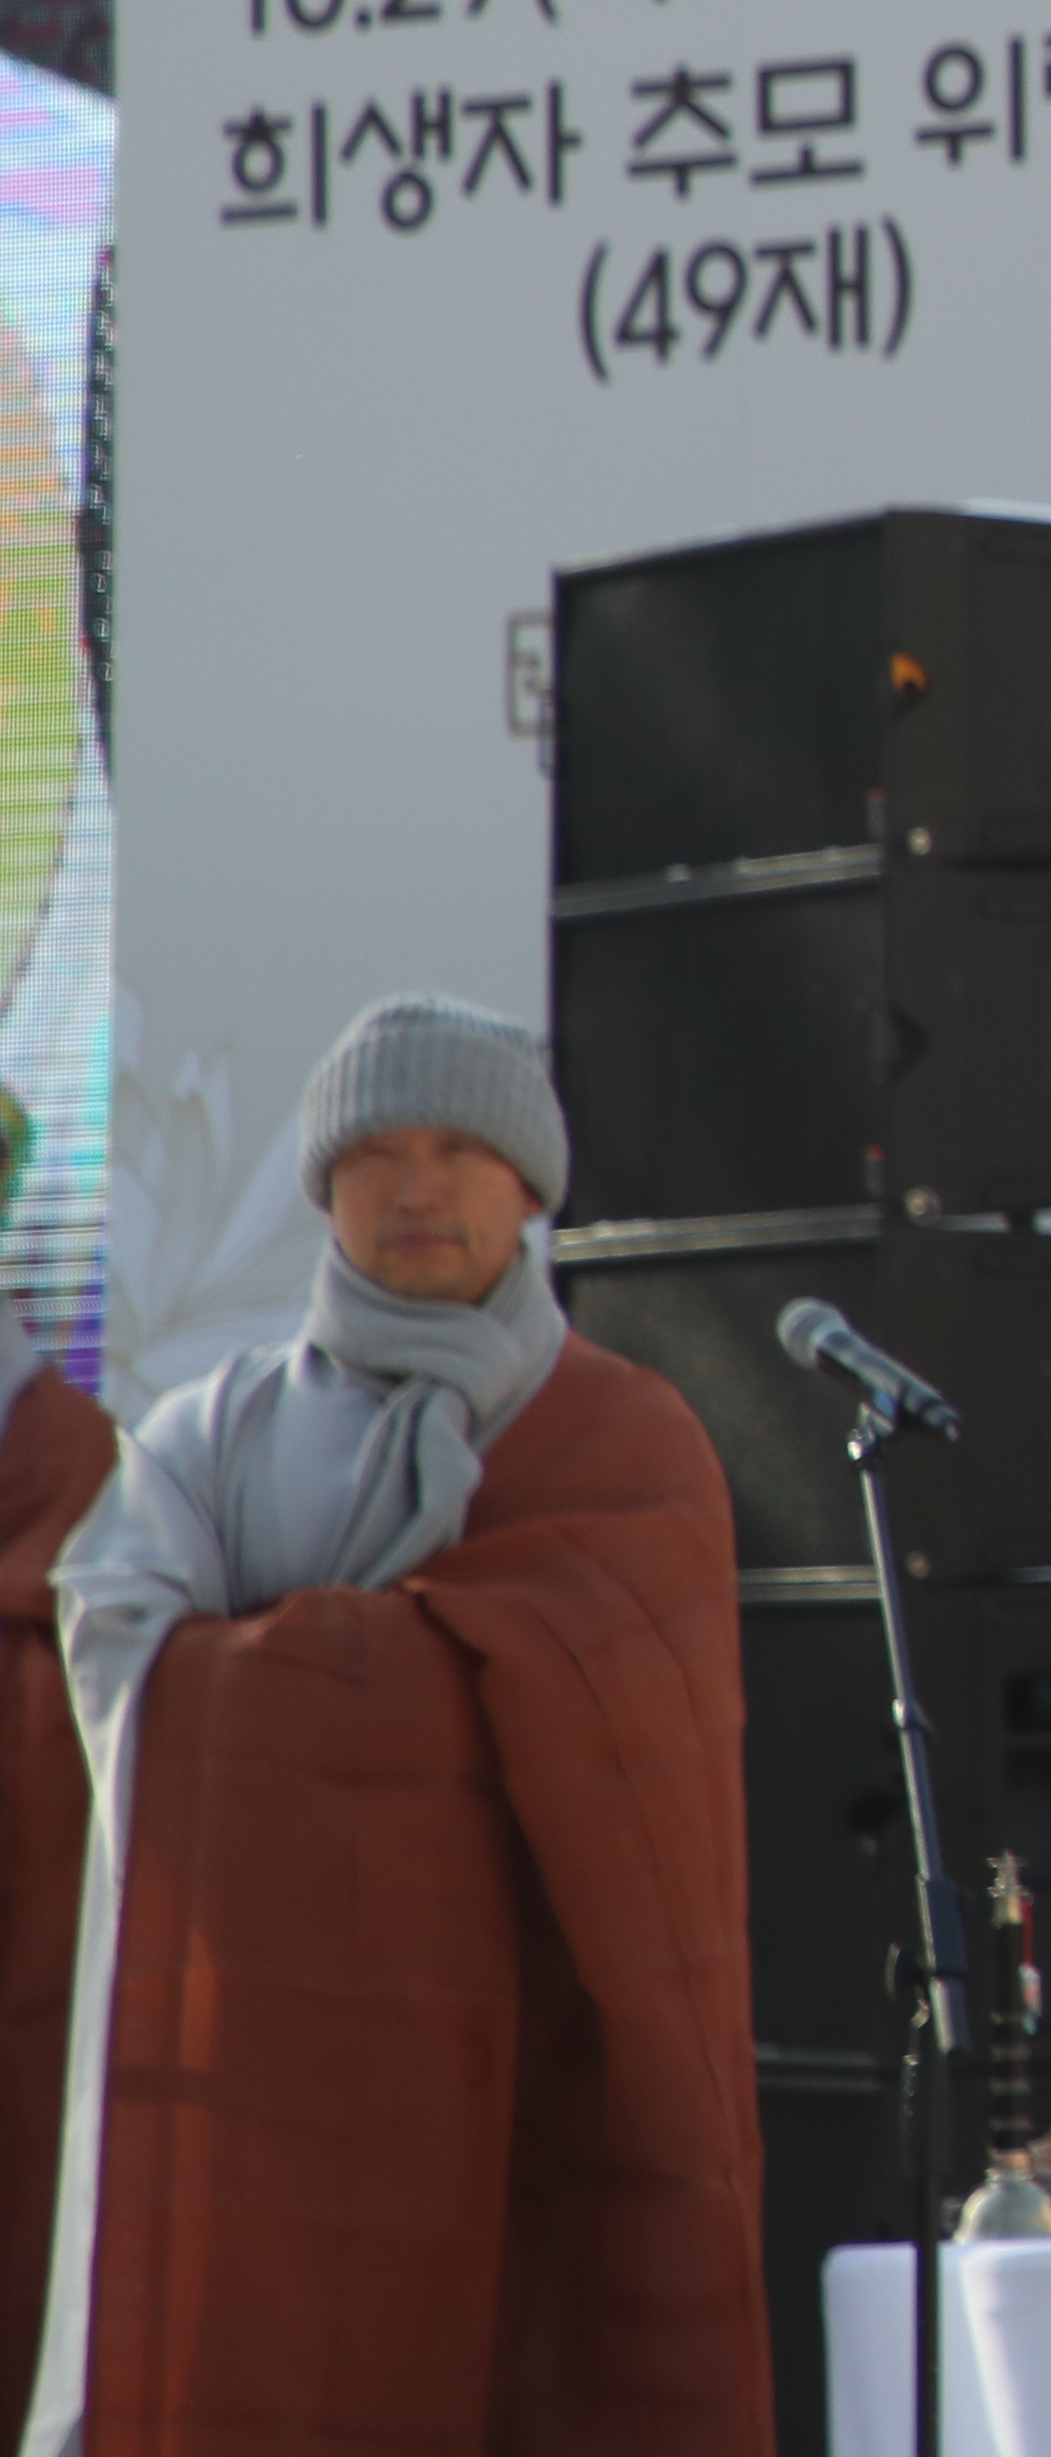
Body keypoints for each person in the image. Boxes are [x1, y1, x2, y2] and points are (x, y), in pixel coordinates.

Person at [0, 993, 765, 2449]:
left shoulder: (627, 1440)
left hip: (543, 2052)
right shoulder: (211, 1435)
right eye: (376, 1153)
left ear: (530, 1185)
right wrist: (406, 1669)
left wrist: (304, 1659)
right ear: (324, 1187)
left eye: (460, 1150)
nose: (417, 1187)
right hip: (269, 2075)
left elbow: (647, 1758)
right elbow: (124, 1659)